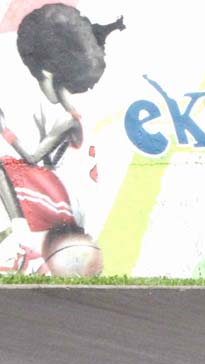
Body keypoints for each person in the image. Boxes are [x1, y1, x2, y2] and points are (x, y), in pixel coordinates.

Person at [0, 3, 122, 276]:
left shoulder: (67, 118)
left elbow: (30, 156)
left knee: (4, 167)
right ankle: (23, 244)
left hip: (62, 206)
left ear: (47, 76)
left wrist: (5, 130)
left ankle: (22, 242)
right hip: (67, 204)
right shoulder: (78, 113)